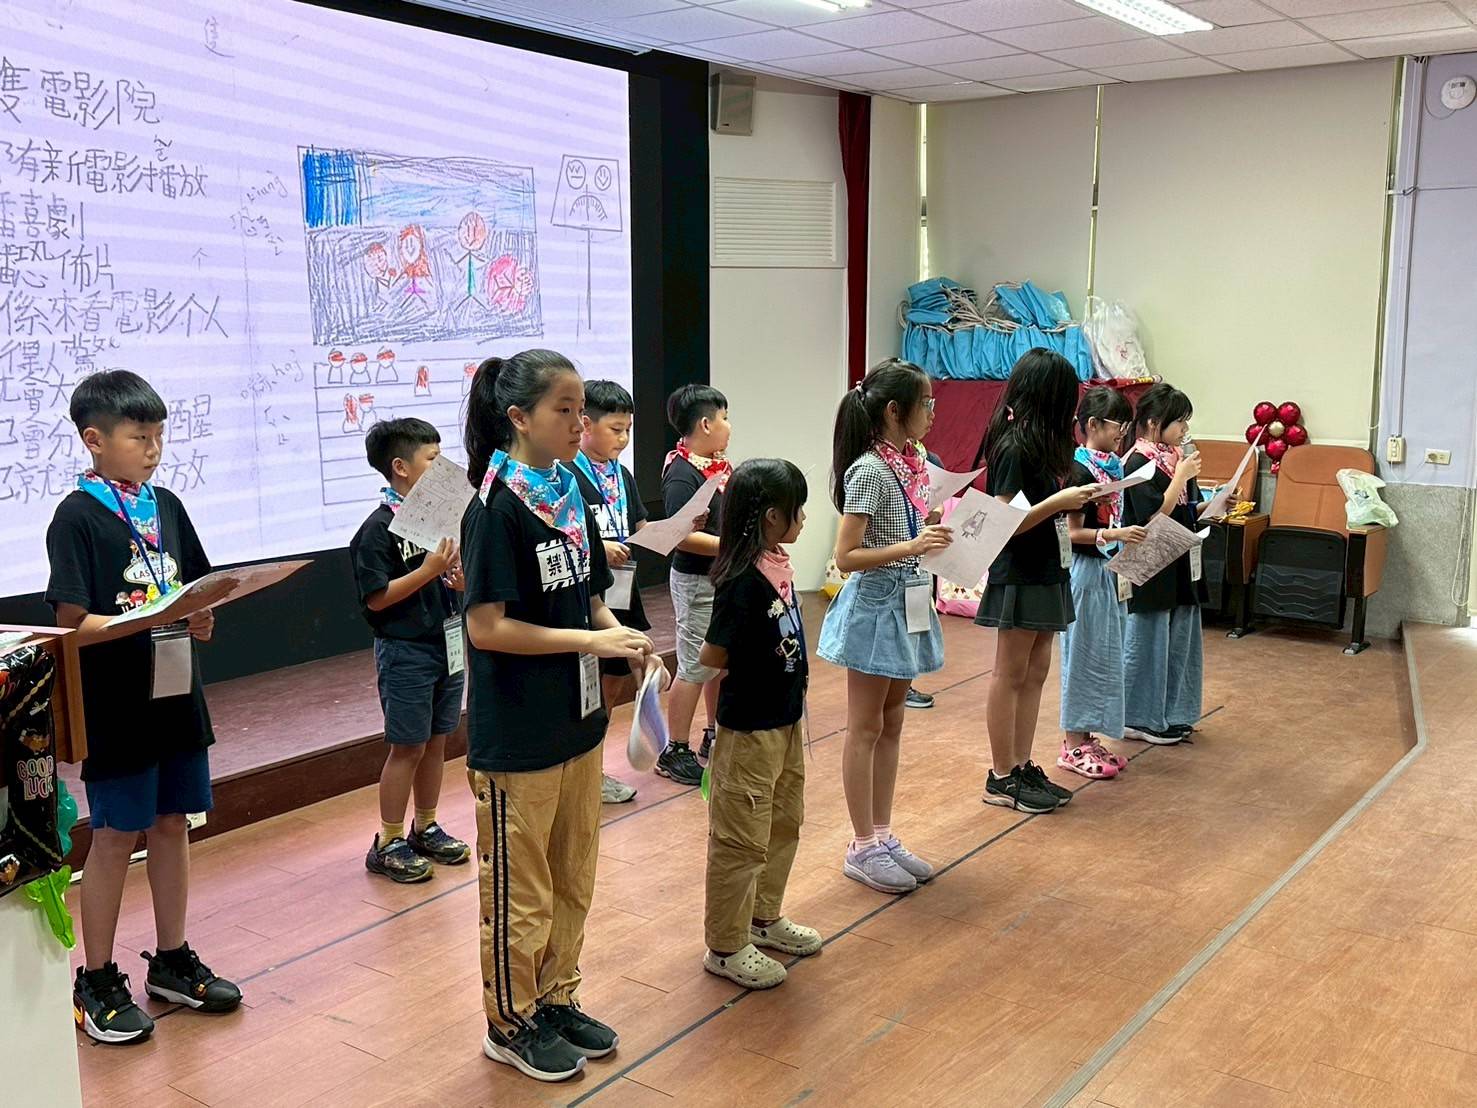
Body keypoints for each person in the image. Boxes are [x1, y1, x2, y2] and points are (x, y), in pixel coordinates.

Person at [461, 349, 668, 1082]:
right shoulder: (493, 507)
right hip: (516, 732)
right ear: (519, 417)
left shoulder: (570, 486)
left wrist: (622, 640)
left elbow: (589, 596)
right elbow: (487, 627)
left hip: (576, 719)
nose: (580, 423)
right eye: (565, 410)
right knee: (522, 888)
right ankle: (509, 1020)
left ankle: (555, 997)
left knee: (573, 874)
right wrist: (590, 640)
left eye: (582, 409)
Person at [45, 370, 241, 1045]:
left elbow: (195, 591)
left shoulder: (167, 506)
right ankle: (96, 978)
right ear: (95, 440)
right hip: (117, 705)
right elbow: (74, 624)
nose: (153, 449)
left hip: (176, 695)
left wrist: (200, 616)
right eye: (138, 437)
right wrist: (147, 620)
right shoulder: (77, 516)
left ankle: (172, 958)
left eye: (159, 436)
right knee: (114, 834)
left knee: (173, 823)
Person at [818, 358, 949, 895]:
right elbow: (846, 556)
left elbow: (907, 533)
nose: (933, 412)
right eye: (926, 403)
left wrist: (932, 533)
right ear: (895, 410)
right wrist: (912, 544)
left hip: (908, 597)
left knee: (892, 720)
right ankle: (862, 845)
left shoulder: (913, 463)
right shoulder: (870, 470)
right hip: (875, 605)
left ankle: (883, 834)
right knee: (866, 726)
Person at [700, 458, 821, 990]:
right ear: (773, 515)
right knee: (741, 837)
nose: (804, 519)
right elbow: (712, 654)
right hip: (749, 730)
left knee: (783, 822)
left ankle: (763, 917)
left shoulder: (777, 566)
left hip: (785, 720)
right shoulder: (741, 580)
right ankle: (726, 946)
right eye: (799, 509)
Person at [976, 350, 1102, 814]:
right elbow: (1005, 521)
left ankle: (1022, 764)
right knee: (1010, 672)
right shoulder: (1013, 445)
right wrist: (1060, 501)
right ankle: (1001, 775)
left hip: (1050, 566)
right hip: (1020, 570)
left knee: (1035, 672)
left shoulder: (1048, 444)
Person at [350, 417, 470, 883]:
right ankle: (388, 840)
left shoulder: (442, 520)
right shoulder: (377, 529)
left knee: (438, 741)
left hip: (448, 641)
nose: (443, 469)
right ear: (400, 467)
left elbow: (449, 576)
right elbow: (377, 598)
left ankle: (426, 825)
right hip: (406, 652)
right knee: (408, 746)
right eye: (433, 460)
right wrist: (428, 570)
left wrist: (457, 580)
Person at [1058, 390, 1145, 779]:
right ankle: (1072, 743)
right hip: (1087, 571)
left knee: (1103, 655)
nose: (1122, 433)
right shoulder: (1078, 472)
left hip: (1110, 570)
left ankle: (1088, 736)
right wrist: (1115, 534)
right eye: (1117, 425)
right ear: (1092, 425)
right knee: (1081, 656)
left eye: (1126, 426)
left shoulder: (1113, 469)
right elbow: (1072, 532)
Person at [571, 379, 650, 805]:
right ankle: (584, 770)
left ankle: (594, 766)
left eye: (629, 430)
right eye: (615, 429)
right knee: (587, 684)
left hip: (623, 590)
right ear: (585, 424)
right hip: (587, 593)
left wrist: (677, 529)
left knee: (615, 681)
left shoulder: (622, 475)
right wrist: (600, 547)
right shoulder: (566, 475)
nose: (623, 439)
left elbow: (639, 527)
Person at [1120, 383, 1207, 745]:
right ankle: (1138, 718)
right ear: (1155, 423)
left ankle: (1174, 712)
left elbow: (1186, 508)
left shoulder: (1176, 459)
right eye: (1179, 421)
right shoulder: (1137, 462)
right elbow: (1154, 514)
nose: (1185, 429)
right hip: (1151, 561)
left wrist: (1215, 504)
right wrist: (1181, 476)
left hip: (1181, 555)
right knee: (1148, 639)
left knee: (1180, 638)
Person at [658, 384, 731, 785]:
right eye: (724, 418)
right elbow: (680, 537)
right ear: (705, 424)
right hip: (696, 582)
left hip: (719, 578)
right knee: (693, 665)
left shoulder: (716, 467)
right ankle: (675, 750)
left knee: (717, 662)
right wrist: (733, 546)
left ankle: (713, 733)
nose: (728, 426)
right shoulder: (682, 474)